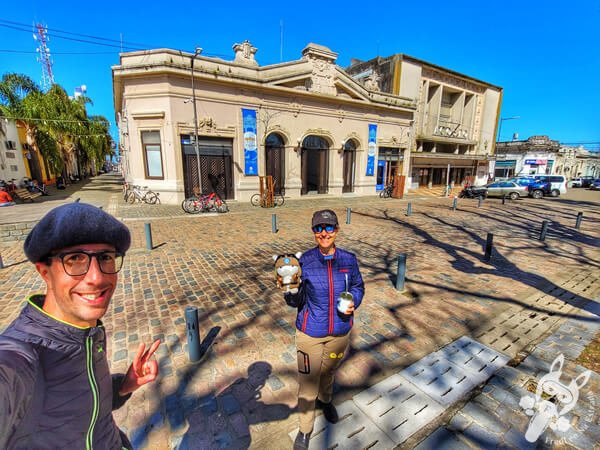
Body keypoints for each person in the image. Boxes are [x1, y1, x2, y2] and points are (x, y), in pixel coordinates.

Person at [0, 202, 160, 449]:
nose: (96, 278)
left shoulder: (88, 330)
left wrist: (126, 384)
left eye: (105, 257)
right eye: (74, 259)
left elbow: (89, 403)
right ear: (44, 272)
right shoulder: (20, 355)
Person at [282, 209, 364, 450]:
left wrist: (354, 301)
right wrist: (292, 292)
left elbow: (359, 286)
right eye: (319, 228)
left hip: (340, 333)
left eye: (329, 228)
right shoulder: (304, 262)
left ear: (337, 230)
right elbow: (295, 301)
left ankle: (325, 400)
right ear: (313, 232)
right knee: (308, 382)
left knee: (329, 372)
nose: (324, 233)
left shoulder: (349, 259)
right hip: (310, 334)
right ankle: (305, 429)